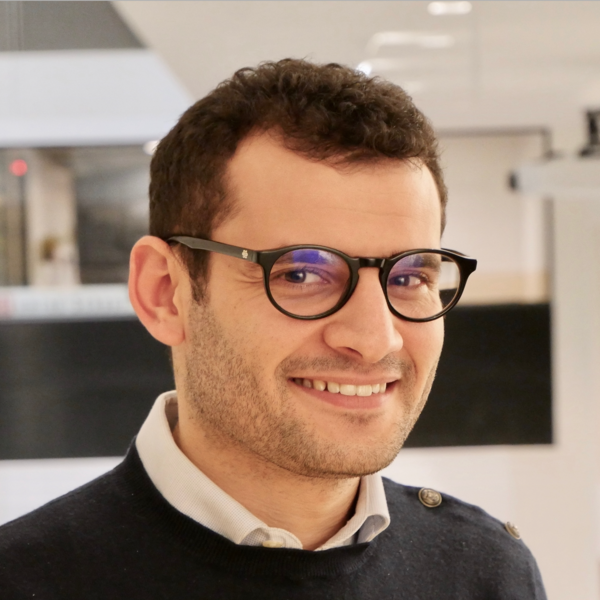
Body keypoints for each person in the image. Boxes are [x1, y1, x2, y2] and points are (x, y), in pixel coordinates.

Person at [0, 58, 546, 599]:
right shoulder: (26, 579)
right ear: (165, 292)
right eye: (301, 273)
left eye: (409, 277)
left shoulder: (484, 574)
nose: (376, 338)